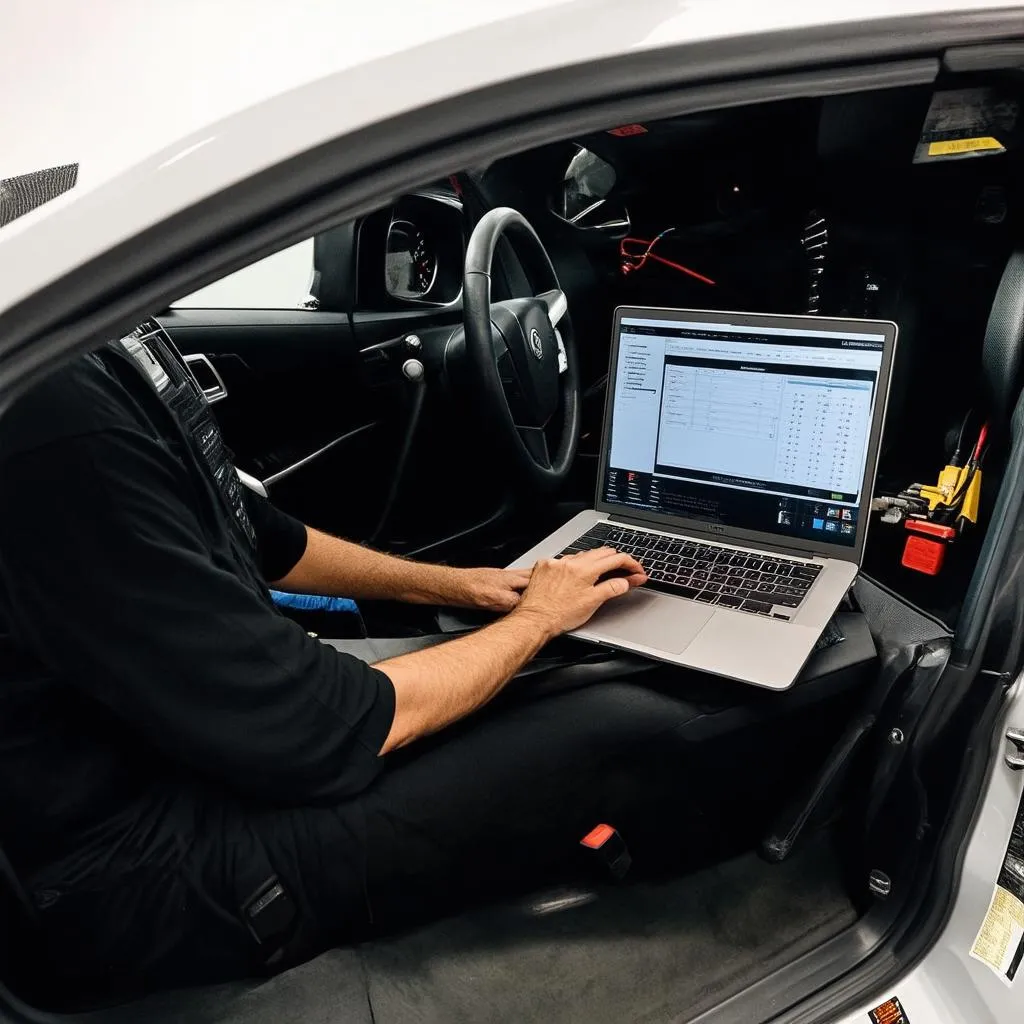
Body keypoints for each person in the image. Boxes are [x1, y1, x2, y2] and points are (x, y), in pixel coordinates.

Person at [0, 334, 718, 999]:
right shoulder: (52, 420)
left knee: (547, 672)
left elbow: (261, 538)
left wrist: (465, 586)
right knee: (620, 725)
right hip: (135, 870)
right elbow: (320, 733)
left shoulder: (107, 345)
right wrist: (537, 622)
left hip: (194, 744)